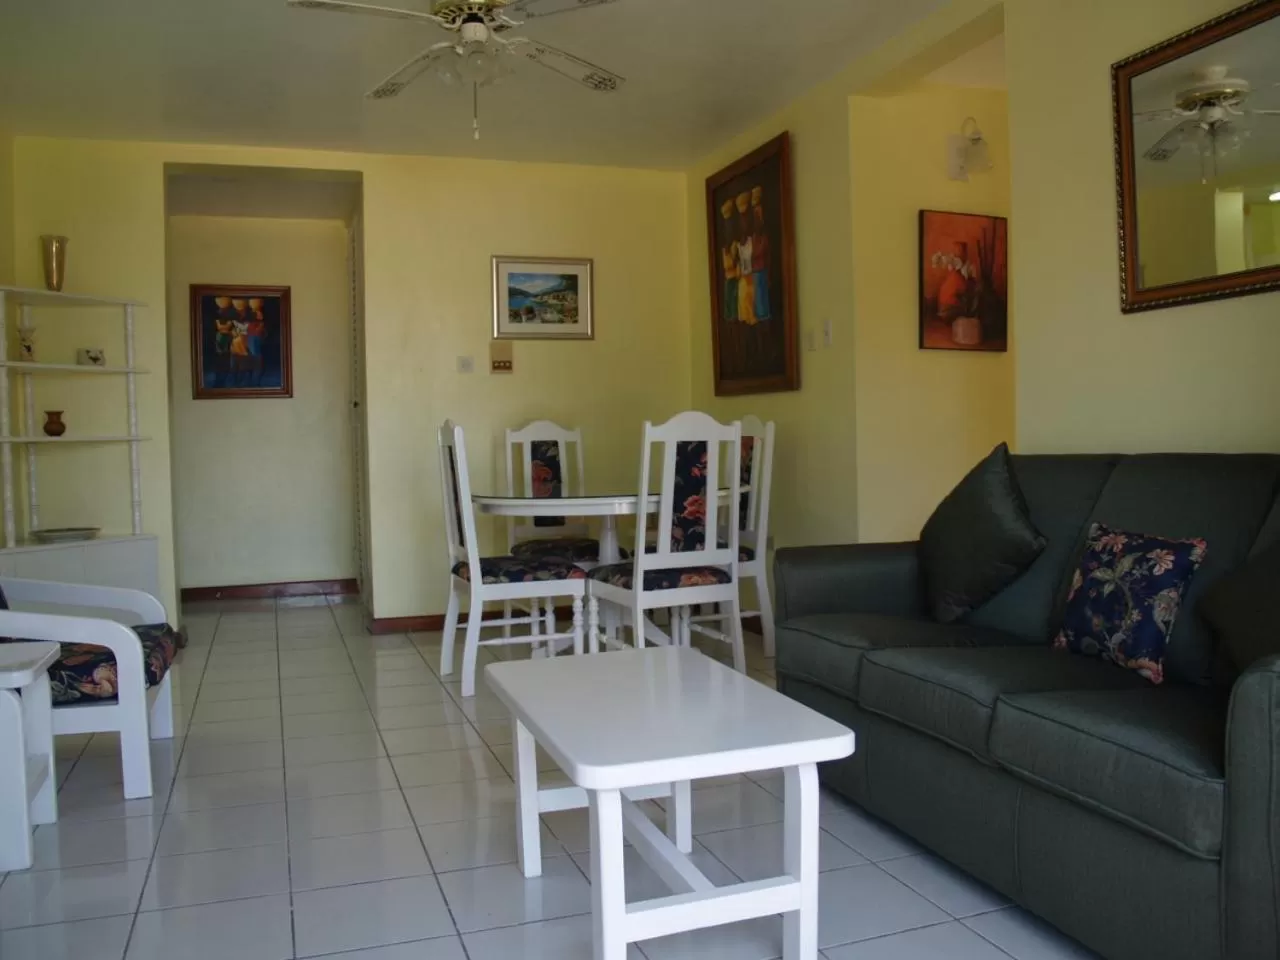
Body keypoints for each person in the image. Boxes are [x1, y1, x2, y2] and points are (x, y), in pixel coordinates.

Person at [750, 186, 771, 323]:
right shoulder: (753, 236)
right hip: (755, 274)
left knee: (763, 311)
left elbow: (759, 253)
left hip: (762, 272)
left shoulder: (764, 236)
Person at [735, 192, 756, 326]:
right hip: (743, 281)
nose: (743, 224)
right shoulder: (737, 245)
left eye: (745, 220)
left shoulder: (753, 240)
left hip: (752, 281)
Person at [719, 199, 739, 322]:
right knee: (729, 313)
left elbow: (734, 264)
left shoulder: (735, 245)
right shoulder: (724, 248)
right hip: (728, 281)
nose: (728, 231)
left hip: (735, 280)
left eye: (730, 227)